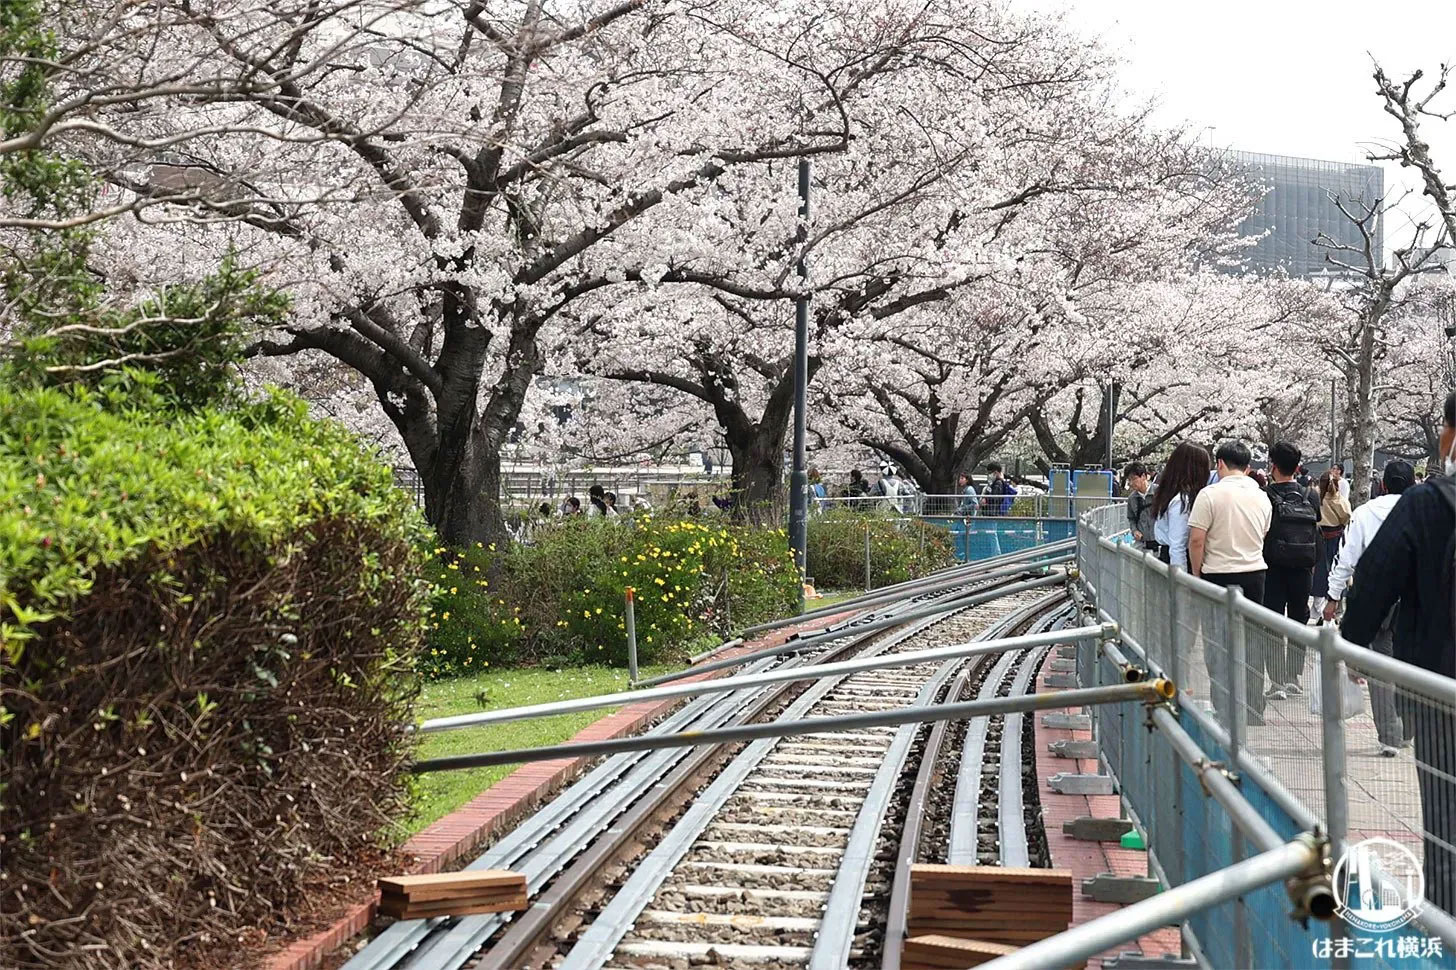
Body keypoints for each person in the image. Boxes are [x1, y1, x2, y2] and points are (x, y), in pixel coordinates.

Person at [1340, 392, 1456, 914]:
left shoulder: (1429, 503)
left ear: (1449, 435)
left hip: (1439, 689)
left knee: (1447, 825)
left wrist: (1350, 646)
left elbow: (1372, 587)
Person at [1323, 459, 1417, 756]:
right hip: (1416, 598)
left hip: (1377, 597)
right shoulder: (1423, 512)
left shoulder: (1365, 513)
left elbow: (1346, 558)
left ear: (1383, 484)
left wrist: (1332, 596)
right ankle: (1410, 726)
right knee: (1413, 662)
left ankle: (1390, 736)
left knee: (1382, 665)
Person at [1188, 440, 1272, 725]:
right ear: (1248, 467)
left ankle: (1224, 706)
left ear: (1220, 463)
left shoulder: (1209, 495)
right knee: (1252, 643)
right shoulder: (1262, 497)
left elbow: (1197, 539)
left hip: (1217, 573)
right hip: (1255, 574)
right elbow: (1263, 533)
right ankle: (1253, 708)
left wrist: (1197, 573)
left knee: (1217, 643)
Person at [1259, 441, 1323, 700]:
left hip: (1273, 566)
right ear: (1297, 467)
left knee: (1272, 621)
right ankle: (1293, 676)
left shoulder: (1264, 494)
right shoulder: (1311, 495)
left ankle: (1276, 682)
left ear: (1273, 466)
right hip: (1303, 567)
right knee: (1299, 619)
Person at [1149, 442, 1212, 570]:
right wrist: (1181, 581)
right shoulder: (1182, 501)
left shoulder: (1170, 494)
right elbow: (1177, 545)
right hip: (1179, 561)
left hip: (1170, 557)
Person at [1312, 469, 1352, 616]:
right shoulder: (1339, 500)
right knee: (1337, 571)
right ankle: (1337, 606)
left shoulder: (1315, 497)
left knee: (1319, 572)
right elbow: (1347, 516)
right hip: (1335, 537)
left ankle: (1317, 608)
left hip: (1319, 537)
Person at [1124, 461, 1157, 550]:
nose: (1131, 483)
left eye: (1134, 479)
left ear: (1143, 476)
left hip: (1161, 542)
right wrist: (1135, 531)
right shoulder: (1132, 498)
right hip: (1142, 543)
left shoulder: (1159, 492)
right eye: (1129, 480)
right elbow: (1131, 518)